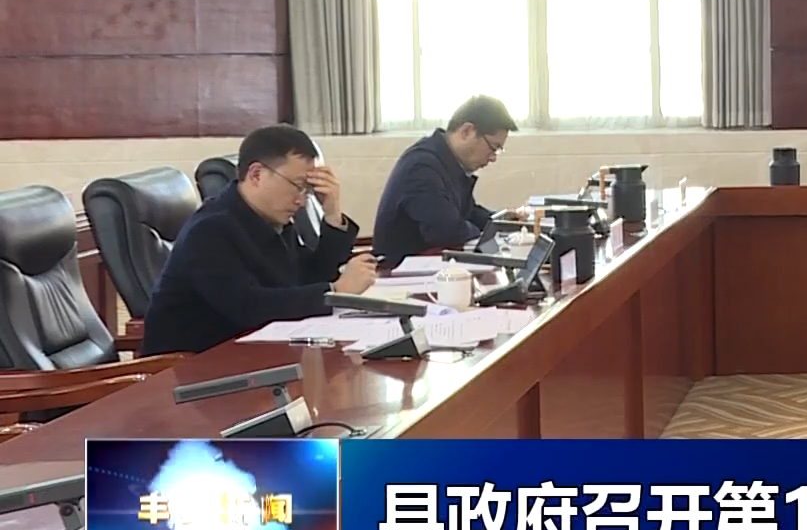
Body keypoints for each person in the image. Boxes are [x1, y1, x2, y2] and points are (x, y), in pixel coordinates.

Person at [140, 125, 374, 355]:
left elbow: (307, 277)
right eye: (298, 186)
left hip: (247, 356)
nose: (301, 201)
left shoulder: (268, 218)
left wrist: (332, 214)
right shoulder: (209, 230)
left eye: (308, 191)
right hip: (186, 368)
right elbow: (248, 306)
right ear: (256, 174)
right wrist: (335, 291)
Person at [373, 95, 526, 262]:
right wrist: (487, 238)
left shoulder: (447, 160)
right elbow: (446, 230)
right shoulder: (422, 166)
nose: (493, 158)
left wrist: (501, 221)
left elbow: (467, 213)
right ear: (467, 131)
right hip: (399, 270)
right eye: (493, 147)